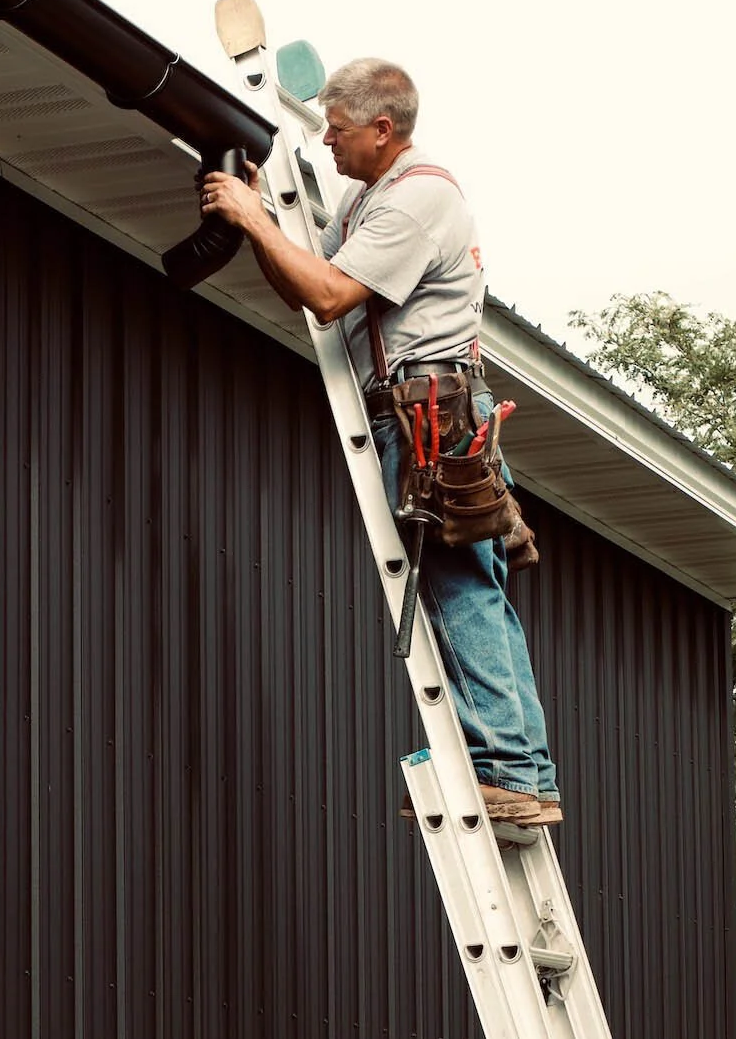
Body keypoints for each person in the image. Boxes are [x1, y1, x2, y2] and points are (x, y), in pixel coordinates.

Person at [201, 56, 561, 829]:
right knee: (474, 589)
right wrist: (264, 221)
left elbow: (331, 295)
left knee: (460, 589)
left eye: (338, 130)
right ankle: (525, 771)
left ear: (382, 128)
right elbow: (309, 285)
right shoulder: (369, 198)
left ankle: (505, 771)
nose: (328, 141)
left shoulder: (417, 199)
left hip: (431, 412)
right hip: (435, 408)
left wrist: (253, 219)